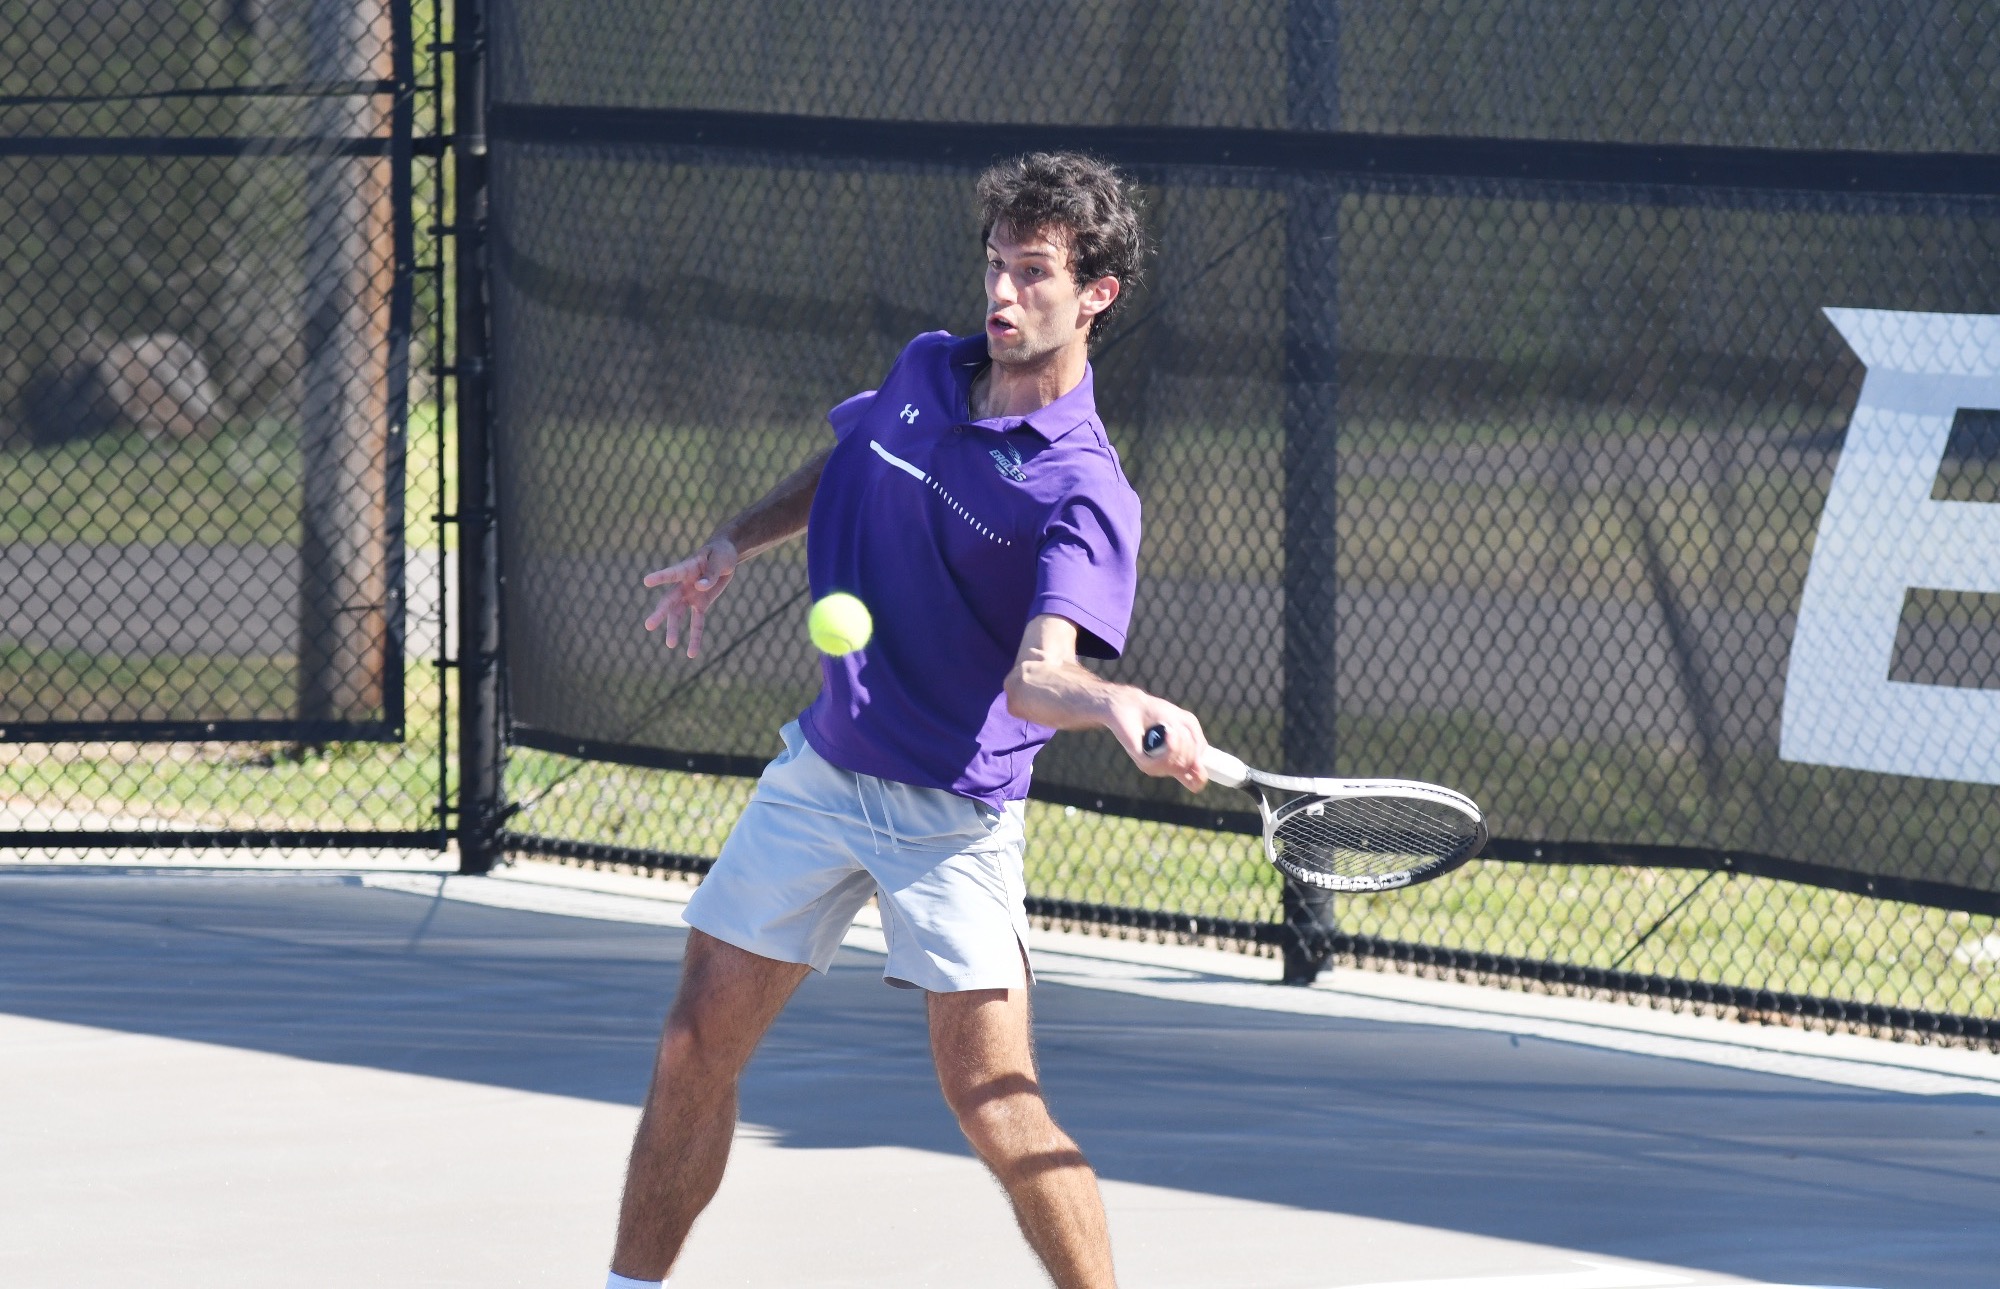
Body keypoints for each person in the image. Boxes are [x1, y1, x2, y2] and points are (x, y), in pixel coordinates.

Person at [608, 152, 1211, 1289]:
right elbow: (848, 455)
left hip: (949, 810)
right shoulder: (928, 368)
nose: (1001, 294)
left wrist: (1115, 699)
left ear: (1096, 295)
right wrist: (734, 541)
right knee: (693, 1045)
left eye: (1033, 273)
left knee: (993, 1099)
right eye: (994, 265)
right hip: (823, 769)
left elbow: (1040, 676)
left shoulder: (1083, 490)